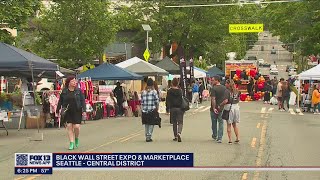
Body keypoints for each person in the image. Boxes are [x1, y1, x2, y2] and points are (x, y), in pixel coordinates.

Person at [57, 76, 85, 150]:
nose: (75, 82)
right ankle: (71, 143)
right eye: (73, 81)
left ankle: (76, 138)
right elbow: (60, 101)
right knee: (69, 126)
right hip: (68, 111)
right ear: (68, 83)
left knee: (76, 127)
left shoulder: (79, 91)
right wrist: (57, 110)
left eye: (75, 81)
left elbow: (83, 101)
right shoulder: (64, 91)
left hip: (77, 110)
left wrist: (84, 110)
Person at [210, 76, 228, 143]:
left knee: (214, 122)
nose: (212, 81)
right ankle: (220, 137)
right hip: (221, 107)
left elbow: (213, 98)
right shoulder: (224, 88)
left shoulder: (213, 88)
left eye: (213, 80)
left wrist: (214, 107)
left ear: (217, 80)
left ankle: (215, 135)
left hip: (213, 108)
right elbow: (225, 98)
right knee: (221, 123)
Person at [166, 78, 184, 142]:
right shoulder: (180, 91)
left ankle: (175, 136)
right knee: (180, 122)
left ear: (172, 83)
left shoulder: (169, 91)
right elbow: (182, 100)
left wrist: (167, 109)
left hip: (172, 108)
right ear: (178, 83)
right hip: (179, 108)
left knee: (174, 123)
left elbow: (167, 100)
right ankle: (179, 133)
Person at [224, 79, 240, 145]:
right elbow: (238, 99)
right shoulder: (237, 91)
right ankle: (237, 138)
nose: (225, 84)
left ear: (228, 84)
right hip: (236, 107)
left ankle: (230, 140)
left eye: (226, 83)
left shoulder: (227, 91)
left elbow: (226, 101)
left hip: (229, 107)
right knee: (234, 124)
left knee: (228, 124)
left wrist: (221, 105)